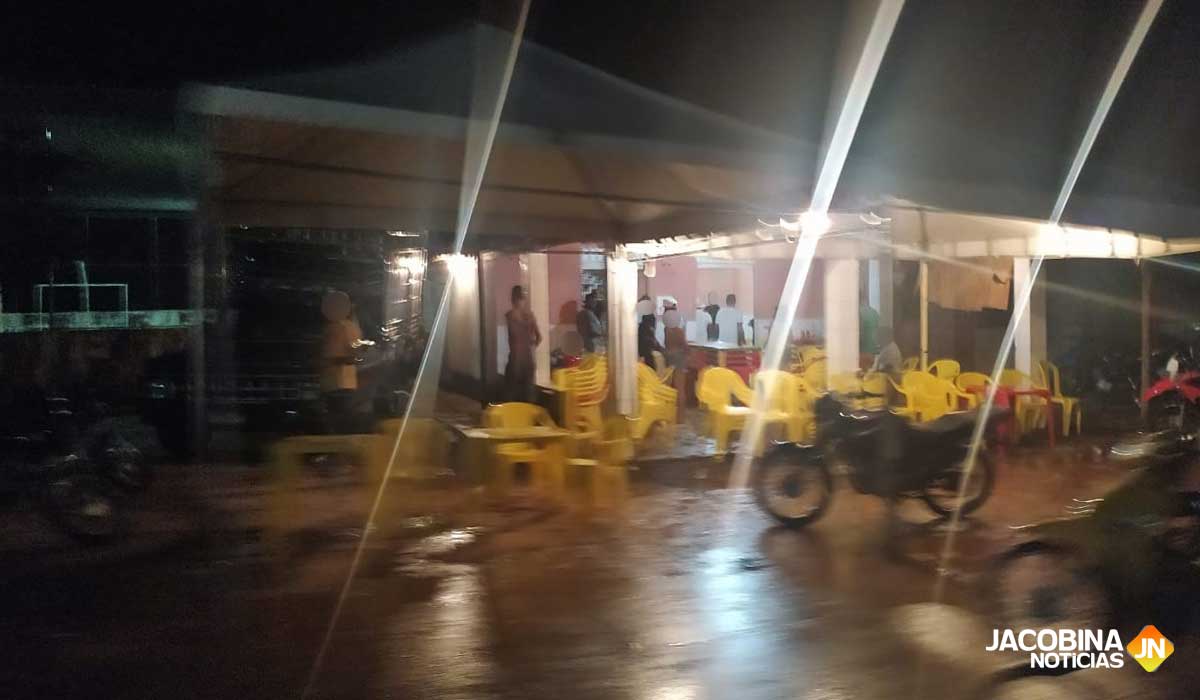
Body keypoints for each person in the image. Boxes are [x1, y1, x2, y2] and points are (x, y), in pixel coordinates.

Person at [320, 290, 365, 433]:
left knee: (336, 414)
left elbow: (332, 355)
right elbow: (356, 351)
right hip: (346, 381)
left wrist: (326, 360)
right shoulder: (352, 327)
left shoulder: (335, 328)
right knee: (343, 414)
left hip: (335, 381)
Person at [505, 285, 542, 403]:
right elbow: (539, 338)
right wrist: (530, 346)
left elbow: (514, 335)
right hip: (528, 359)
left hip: (516, 359)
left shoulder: (510, 315)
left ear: (513, 299)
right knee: (529, 393)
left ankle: (512, 412)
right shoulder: (530, 316)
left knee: (511, 393)